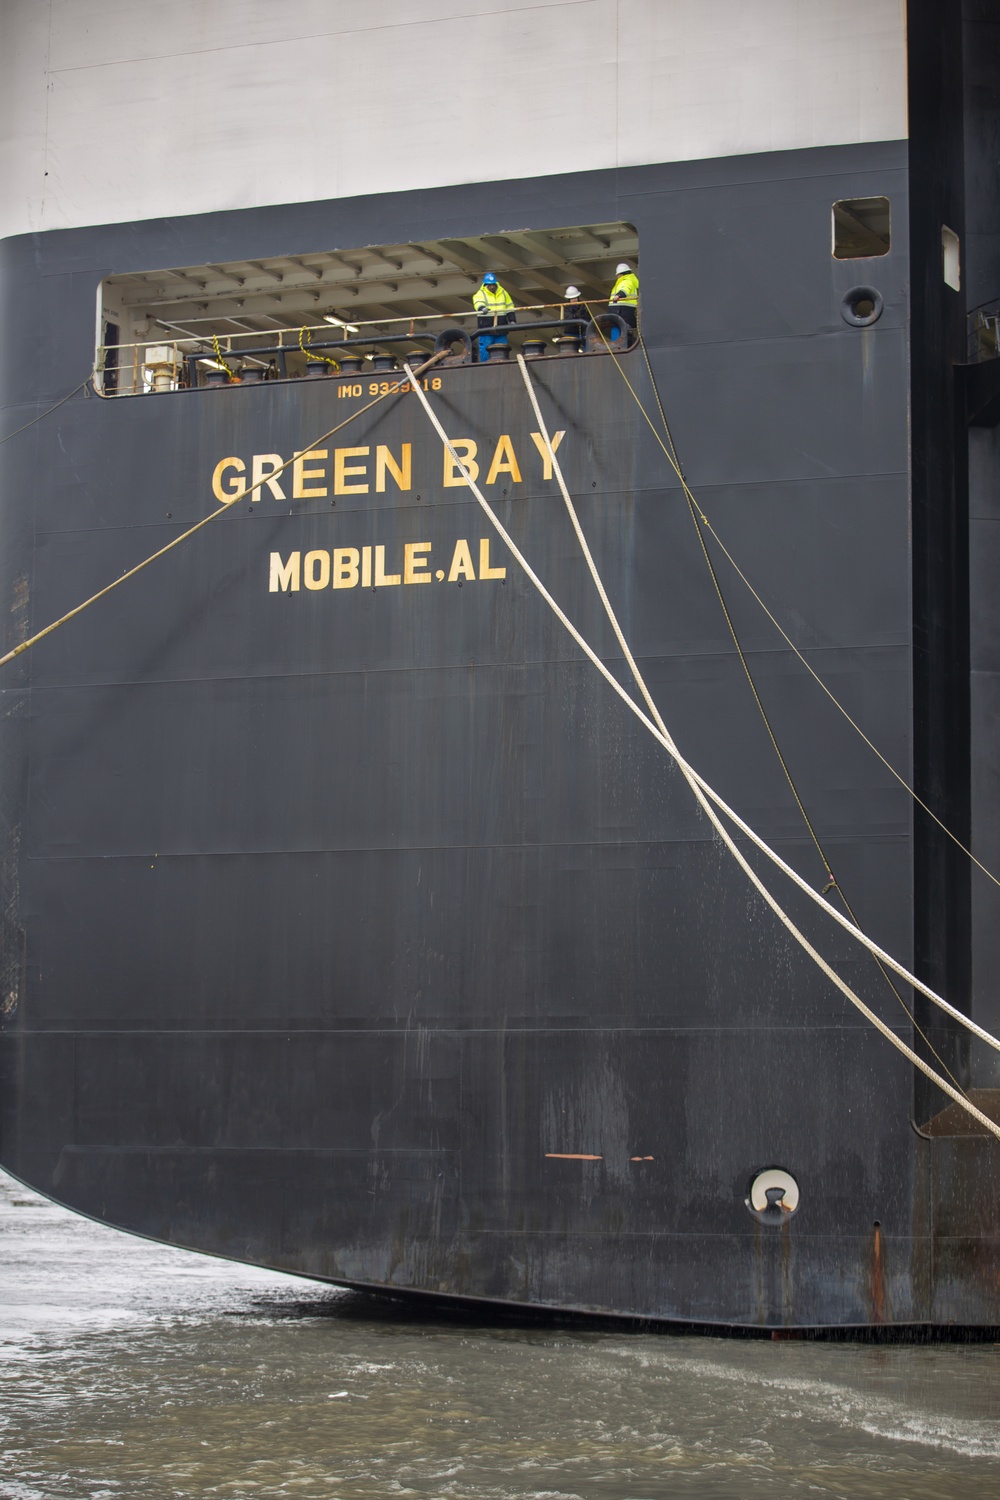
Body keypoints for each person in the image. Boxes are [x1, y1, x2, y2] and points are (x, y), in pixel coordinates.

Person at [473, 272, 515, 362]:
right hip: (486, 328)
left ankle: (503, 364)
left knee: (502, 349)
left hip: (501, 327)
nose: (491, 287)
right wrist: (482, 308)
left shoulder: (503, 293)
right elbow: (478, 303)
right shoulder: (480, 294)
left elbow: (510, 307)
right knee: (485, 350)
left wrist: (512, 320)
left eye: (493, 285)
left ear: (496, 284)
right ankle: (485, 366)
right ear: (485, 285)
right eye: (489, 285)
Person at [609, 260, 639, 340]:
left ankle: (617, 346)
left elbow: (625, 289)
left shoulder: (626, 281)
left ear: (620, 274)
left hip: (621, 311)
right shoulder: (629, 281)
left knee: (618, 330)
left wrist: (619, 295)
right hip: (624, 311)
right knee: (624, 331)